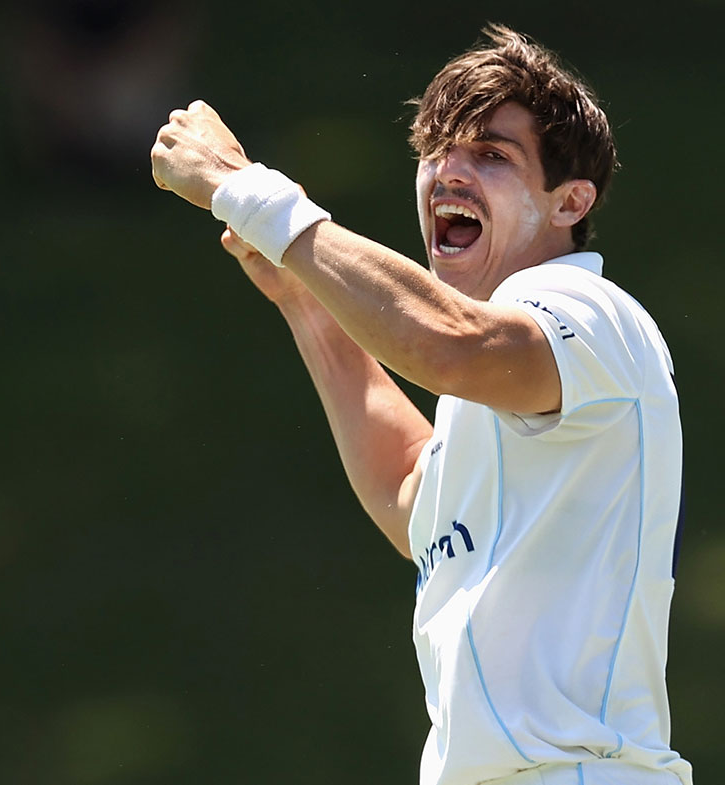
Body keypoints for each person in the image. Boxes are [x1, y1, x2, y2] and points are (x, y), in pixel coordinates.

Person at [151, 24, 692, 785]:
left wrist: (245, 188)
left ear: (571, 201)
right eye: (438, 148)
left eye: (493, 156)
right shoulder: (497, 382)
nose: (449, 172)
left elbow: (446, 345)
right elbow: (410, 493)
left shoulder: (587, 307)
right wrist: (306, 303)